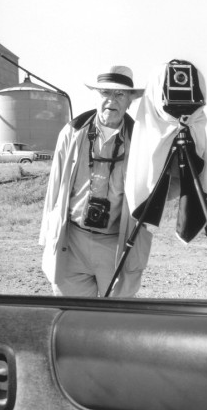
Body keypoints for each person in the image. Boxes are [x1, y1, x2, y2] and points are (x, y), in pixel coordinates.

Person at [39, 65, 151, 298]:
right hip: (72, 243)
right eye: (105, 93)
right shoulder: (72, 131)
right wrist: (48, 236)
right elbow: (54, 187)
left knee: (116, 316)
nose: (111, 100)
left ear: (130, 101)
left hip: (117, 244)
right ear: (96, 96)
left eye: (120, 94)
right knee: (74, 314)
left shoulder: (141, 138)